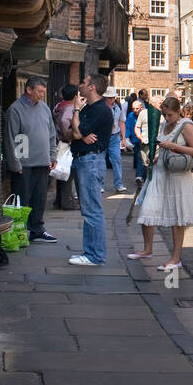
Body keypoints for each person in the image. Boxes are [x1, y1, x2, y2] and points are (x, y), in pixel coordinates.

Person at [129, 96, 193, 272]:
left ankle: (175, 258)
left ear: (178, 111)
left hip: (177, 177)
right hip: (160, 171)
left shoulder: (186, 125)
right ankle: (148, 250)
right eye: (164, 114)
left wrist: (173, 146)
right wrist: (154, 156)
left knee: (177, 217)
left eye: (170, 115)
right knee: (147, 208)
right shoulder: (163, 124)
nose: (167, 118)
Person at [4, 76, 59, 243]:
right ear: (29, 90)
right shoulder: (15, 109)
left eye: (44, 91)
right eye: (39, 91)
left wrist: (52, 155)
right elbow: (11, 137)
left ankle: (37, 230)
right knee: (22, 199)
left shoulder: (44, 108)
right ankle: (18, 233)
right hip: (24, 163)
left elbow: (51, 134)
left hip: (42, 162)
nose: (42, 95)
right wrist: (15, 163)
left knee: (39, 198)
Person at [68, 74, 114, 266]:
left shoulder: (100, 110)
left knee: (91, 210)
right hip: (84, 160)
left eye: (84, 83)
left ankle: (94, 256)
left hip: (90, 161)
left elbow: (77, 131)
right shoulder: (91, 108)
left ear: (92, 87)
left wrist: (76, 110)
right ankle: (91, 252)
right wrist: (79, 133)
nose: (80, 85)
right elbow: (71, 133)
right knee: (88, 209)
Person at [52, 84, 80, 210]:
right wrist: (70, 136)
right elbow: (65, 122)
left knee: (61, 172)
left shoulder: (59, 106)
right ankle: (66, 202)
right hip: (67, 144)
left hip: (59, 143)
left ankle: (59, 200)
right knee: (67, 173)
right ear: (75, 96)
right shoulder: (69, 109)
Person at [105, 93, 128, 193]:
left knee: (117, 160)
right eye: (110, 98)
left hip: (114, 137)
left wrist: (123, 138)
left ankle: (118, 184)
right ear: (105, 98)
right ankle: (100, 184)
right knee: (100, 161)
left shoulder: (118, 107)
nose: (112, 100)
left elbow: (121, 122)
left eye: (113, 97)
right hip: (103, 137)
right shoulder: (101, 108)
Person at [128, 98, 148, 186]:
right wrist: (126, 138)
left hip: (145, 139)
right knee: (140, 157)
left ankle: (141, 176)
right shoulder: (131, 115)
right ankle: (140, 176)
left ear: (141, 107)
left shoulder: (146, 114)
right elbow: (128, 127)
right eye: (133, 109)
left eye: (137, 108)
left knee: (143, 158)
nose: (135, 110)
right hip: (136, 140)